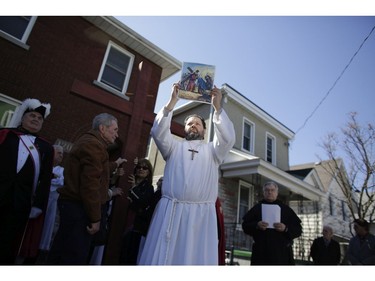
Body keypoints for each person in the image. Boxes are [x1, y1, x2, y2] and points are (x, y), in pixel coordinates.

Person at [138, 83, 235, 265]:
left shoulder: (213, 152)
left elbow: (228, 139)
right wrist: (171, 102)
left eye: (198, 124)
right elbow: (158, 132)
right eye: (190, 123)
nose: (193, 126)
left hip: (200, 218)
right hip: (170, 214)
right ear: (184, 129)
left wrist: (217, 107)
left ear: (205, 130)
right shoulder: (173, 147)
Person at [47, 113, 126, 265]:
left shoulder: (93, 144)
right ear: (102, 128)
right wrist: (95, 218)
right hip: (80, 210)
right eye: (115, 129)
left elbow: (99, 168)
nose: (117, 134)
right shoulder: (93, 145)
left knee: (62, 251)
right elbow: (90, 184)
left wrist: (116, 163)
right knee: (72, 257)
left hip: (75, 208)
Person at [0, 98, 54, 264]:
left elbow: (45, 180)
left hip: (21, 203)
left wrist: (38, 205)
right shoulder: (5, 135)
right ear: (22, 117)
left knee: (8, 245)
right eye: (32, 116)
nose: (36, 120)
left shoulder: (46, 147)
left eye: (40, 118)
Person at [242, 181, 302, 265]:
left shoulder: (286, 209)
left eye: (272, 190)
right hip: (261, 253)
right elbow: (245, 226)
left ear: (277, 193)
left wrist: (285, 228)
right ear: (264, 192)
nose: (269, 192)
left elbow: (298, 230)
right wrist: (256, 225)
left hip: (281, 254)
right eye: (267, 190)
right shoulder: (257, 208)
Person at [119, 158, 156, 265]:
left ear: (149, 172)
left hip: (135, 228)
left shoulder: (149, 187)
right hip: (120, 220)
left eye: (144, 168)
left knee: (129, 257)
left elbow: (143, 203)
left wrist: (134, 188)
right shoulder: (128, 179)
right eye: (139, 167)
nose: (141, 169)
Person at [37, 144, 65, 263]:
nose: (61, 156)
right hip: (36, 204)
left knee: (44, 231)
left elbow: (60, 182)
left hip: (50, 207)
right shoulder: (41, 164)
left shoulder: (61, 170)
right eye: (59, 153)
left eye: (62, 155)